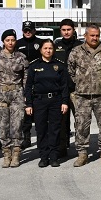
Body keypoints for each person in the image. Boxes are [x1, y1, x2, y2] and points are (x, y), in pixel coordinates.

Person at [68, 24, 101, 166]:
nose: (95, 38)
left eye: (97, 35)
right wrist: (80, 83)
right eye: (92, 35)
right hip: (82, 96)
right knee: (81, 126)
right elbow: (70, 70)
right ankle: (82, 154)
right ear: (85, 36)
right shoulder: (76, 51)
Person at [0, 29, 29, 168]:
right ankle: (6, 154)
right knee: (3, 127)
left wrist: (27, 96)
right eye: (7, 40)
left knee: (17, 126)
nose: (10, 42)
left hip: (17, 95)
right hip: (0, 96)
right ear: (3, 41)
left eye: (13, 40)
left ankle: (16, 154)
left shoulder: (21, 57)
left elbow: (26, 79)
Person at [24, 39, 70, 167]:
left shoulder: (59, 66)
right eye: (45, 48)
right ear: (41, 50)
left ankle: (54, 156)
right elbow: (28, 87)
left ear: (53, 50)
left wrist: (64, 102)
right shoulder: (34, 66)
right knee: (41, 129)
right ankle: (44, 156)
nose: (48, 50)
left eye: (50, 48)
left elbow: (64, 86)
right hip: (39, 101)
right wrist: (28, 104)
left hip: (56, 101)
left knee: (55, 129)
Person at [53, 19, 82, 161]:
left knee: (80, 120)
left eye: (68, 29)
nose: (66, 32)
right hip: (61, 91)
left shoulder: (80, 46)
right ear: (60, 31)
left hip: (77, 90)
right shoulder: (56, 46)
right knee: (61, 121)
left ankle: (80, 148)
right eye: (63, 30)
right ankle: (61, 148)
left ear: (73, 30)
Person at [13, 20, 43, 151]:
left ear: (34, 31)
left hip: (39, 80)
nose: (28, 32)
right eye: (25, 30)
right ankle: (26, 138)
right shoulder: (17, 44)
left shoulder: (41, 43)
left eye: (30, 30)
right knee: (25, 112)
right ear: (22, 31)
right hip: (22, 81)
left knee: (39, 111)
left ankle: (41, 139)